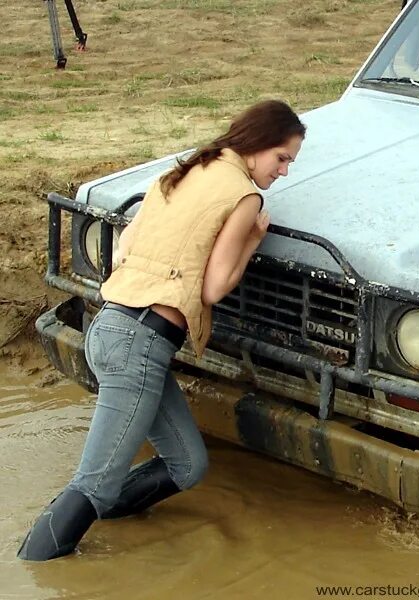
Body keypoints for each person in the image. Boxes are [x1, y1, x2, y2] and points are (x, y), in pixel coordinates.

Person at [17, 99, 306, 561]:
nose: (285, 171)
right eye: (283, 158)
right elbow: (212, 288)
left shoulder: (190, 167)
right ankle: (35, 563)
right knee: (95, 482)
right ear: (257, 145)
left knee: (187, 465)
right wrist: (252, 240)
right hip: (140, 345)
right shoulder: (245, 196)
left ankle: (91, 516)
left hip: (110, 326)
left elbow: (125, 244)